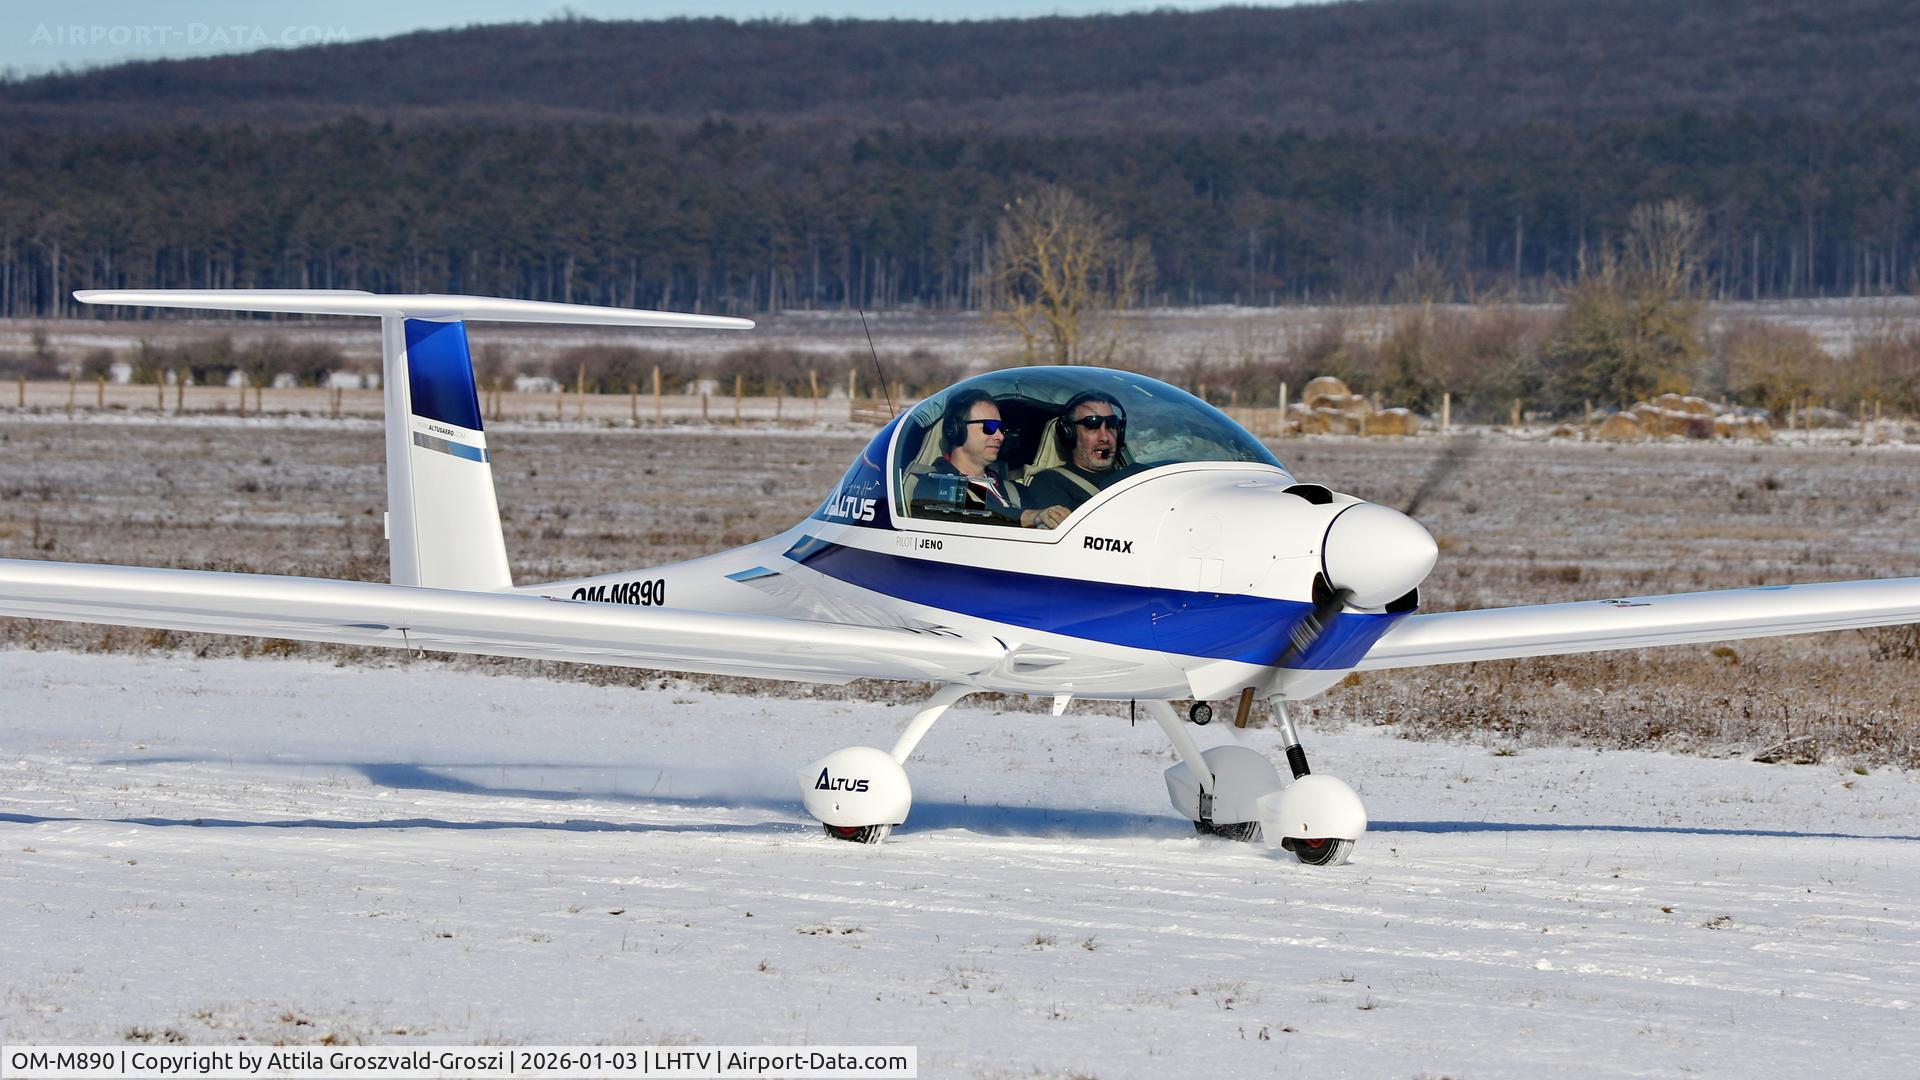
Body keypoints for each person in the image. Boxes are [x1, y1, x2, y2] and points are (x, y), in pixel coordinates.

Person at [920, 390, 1066, 529]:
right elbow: (976, 516)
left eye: (1001, 428)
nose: (1000, 436)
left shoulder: (1006, 487)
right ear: (957, 430)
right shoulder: (935, 484)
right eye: (989, 427)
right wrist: (1029, 516)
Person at [1023, 390, 1143, 512]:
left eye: (1111, 425)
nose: (1105, 437)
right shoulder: (1050, 483)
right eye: (1092, 426)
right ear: (1070, 433)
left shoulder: (1140, 474)